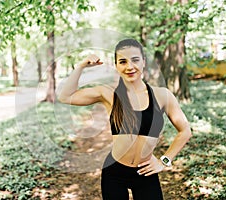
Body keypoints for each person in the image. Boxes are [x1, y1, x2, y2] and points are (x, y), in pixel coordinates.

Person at [58, 38, 192, 200]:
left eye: (135, 60)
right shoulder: (108, 93)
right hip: (115, 172)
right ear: (116, 65)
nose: (129, 66)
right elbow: (66, 97)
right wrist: (81, 66)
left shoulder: (162, 95)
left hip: (146, 172)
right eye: (122, 61)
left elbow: (185, 131)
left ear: (143, 61)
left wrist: (164, 160)